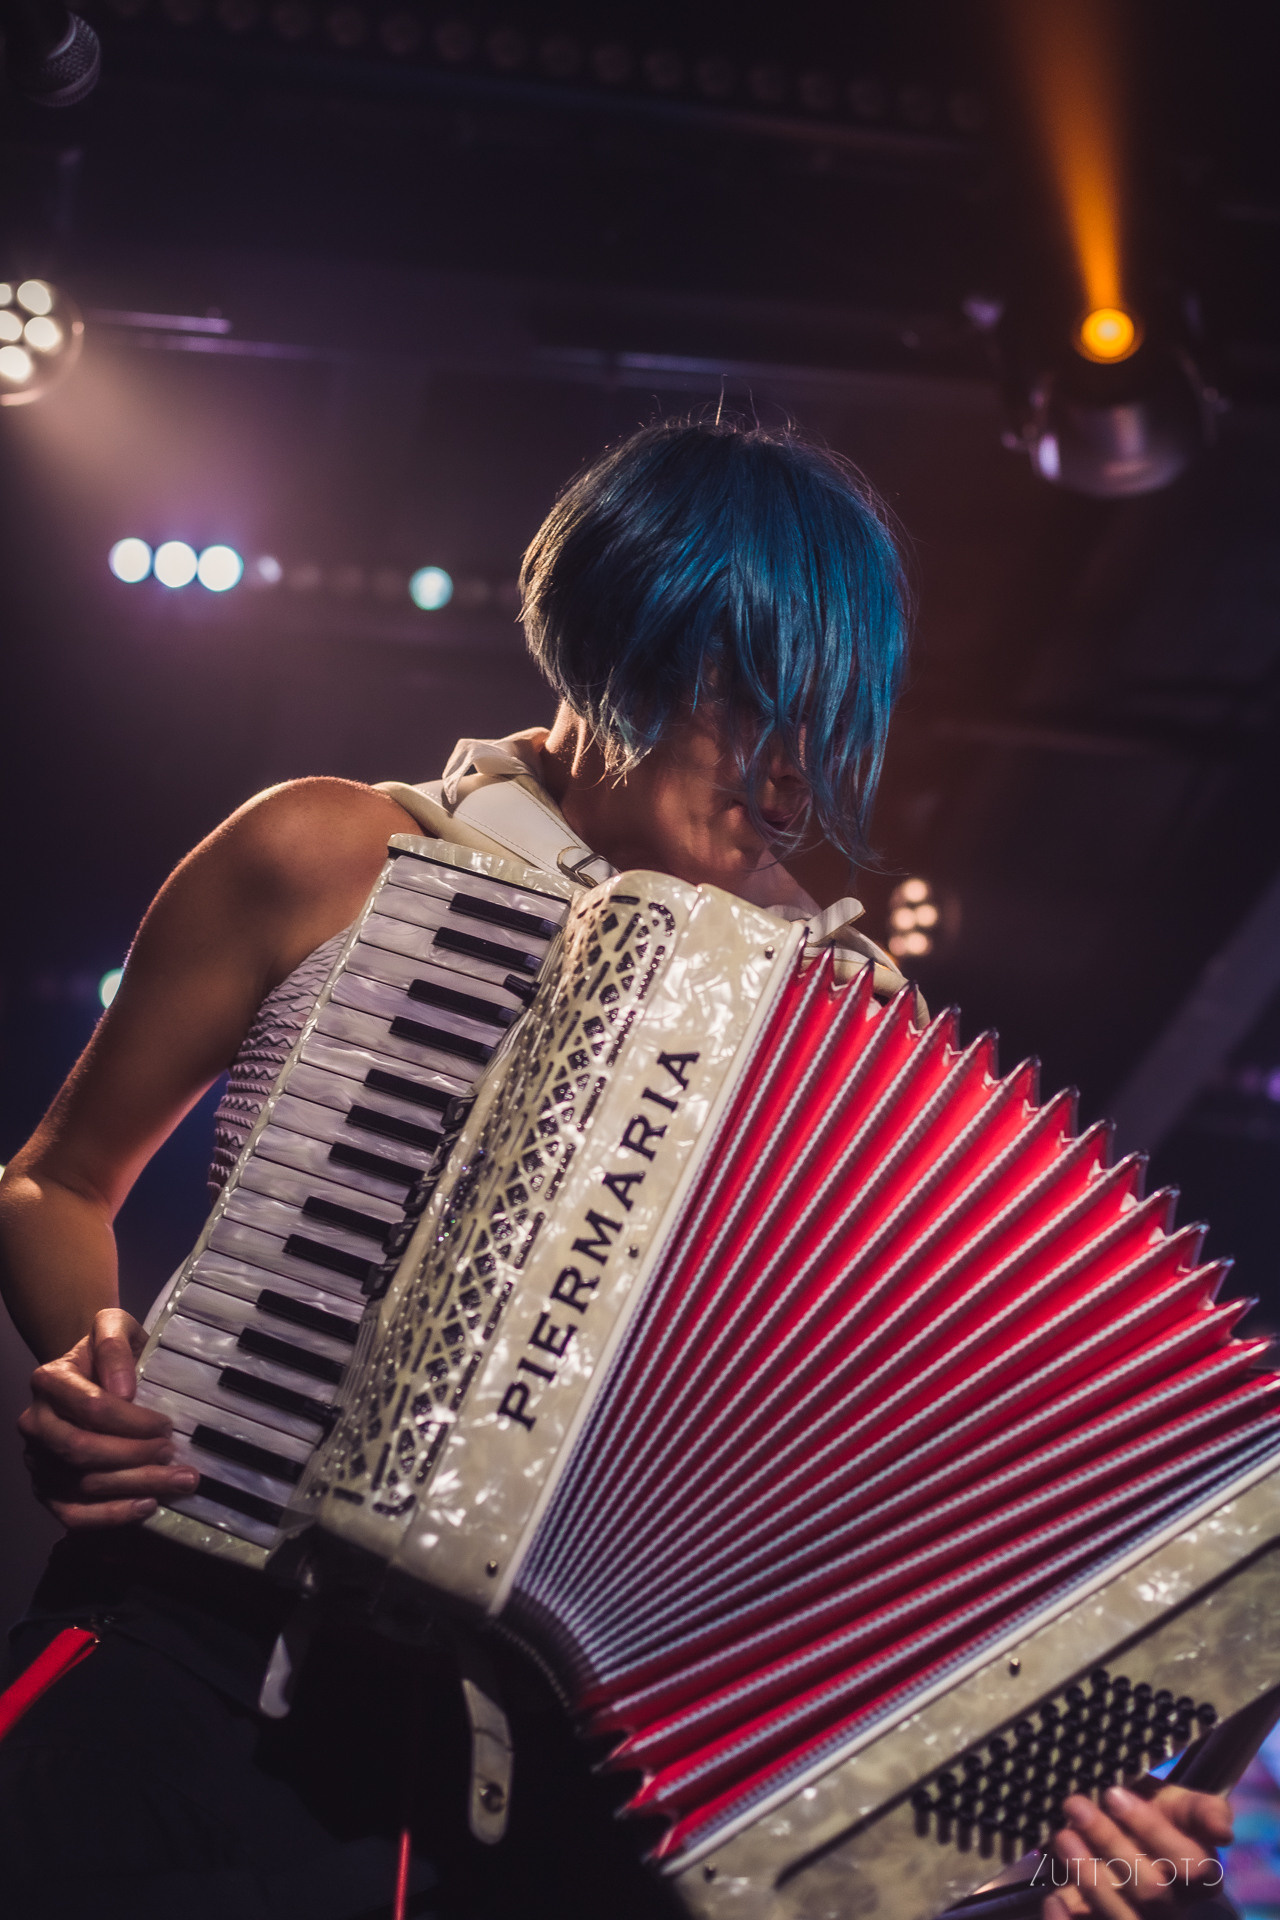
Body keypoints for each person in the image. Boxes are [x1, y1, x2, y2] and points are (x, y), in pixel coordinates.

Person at [0, 419, 1236, 1920]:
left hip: (549, 1791)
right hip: (198, 1660)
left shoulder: (845, 1014)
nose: (792, 779)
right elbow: (56, 1182)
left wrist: (1037, 1778)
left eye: (828, 726)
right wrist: (93, 1373)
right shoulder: (329, 852)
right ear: (621, 645)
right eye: (755, 707)